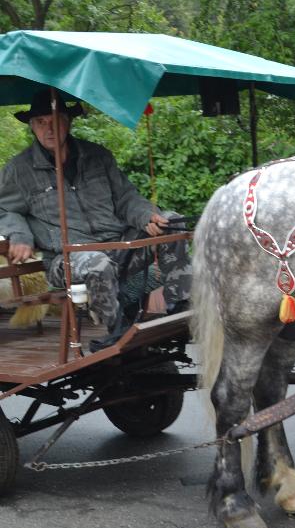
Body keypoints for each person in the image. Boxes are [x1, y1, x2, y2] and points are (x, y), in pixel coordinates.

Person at [0, 90, 191, 343]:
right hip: (67, 259)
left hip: (118, 246)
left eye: (55, 120)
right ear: (32, 127)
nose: (49, 129)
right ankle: (115, 329)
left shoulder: (98, 156)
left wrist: (147, 216)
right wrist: (20, 235)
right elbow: (5, 209)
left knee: (172, 222)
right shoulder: (18, 170)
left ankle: (179, 305)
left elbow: (126, 198)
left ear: (67, 122)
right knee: (97, 262)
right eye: (41, 122)